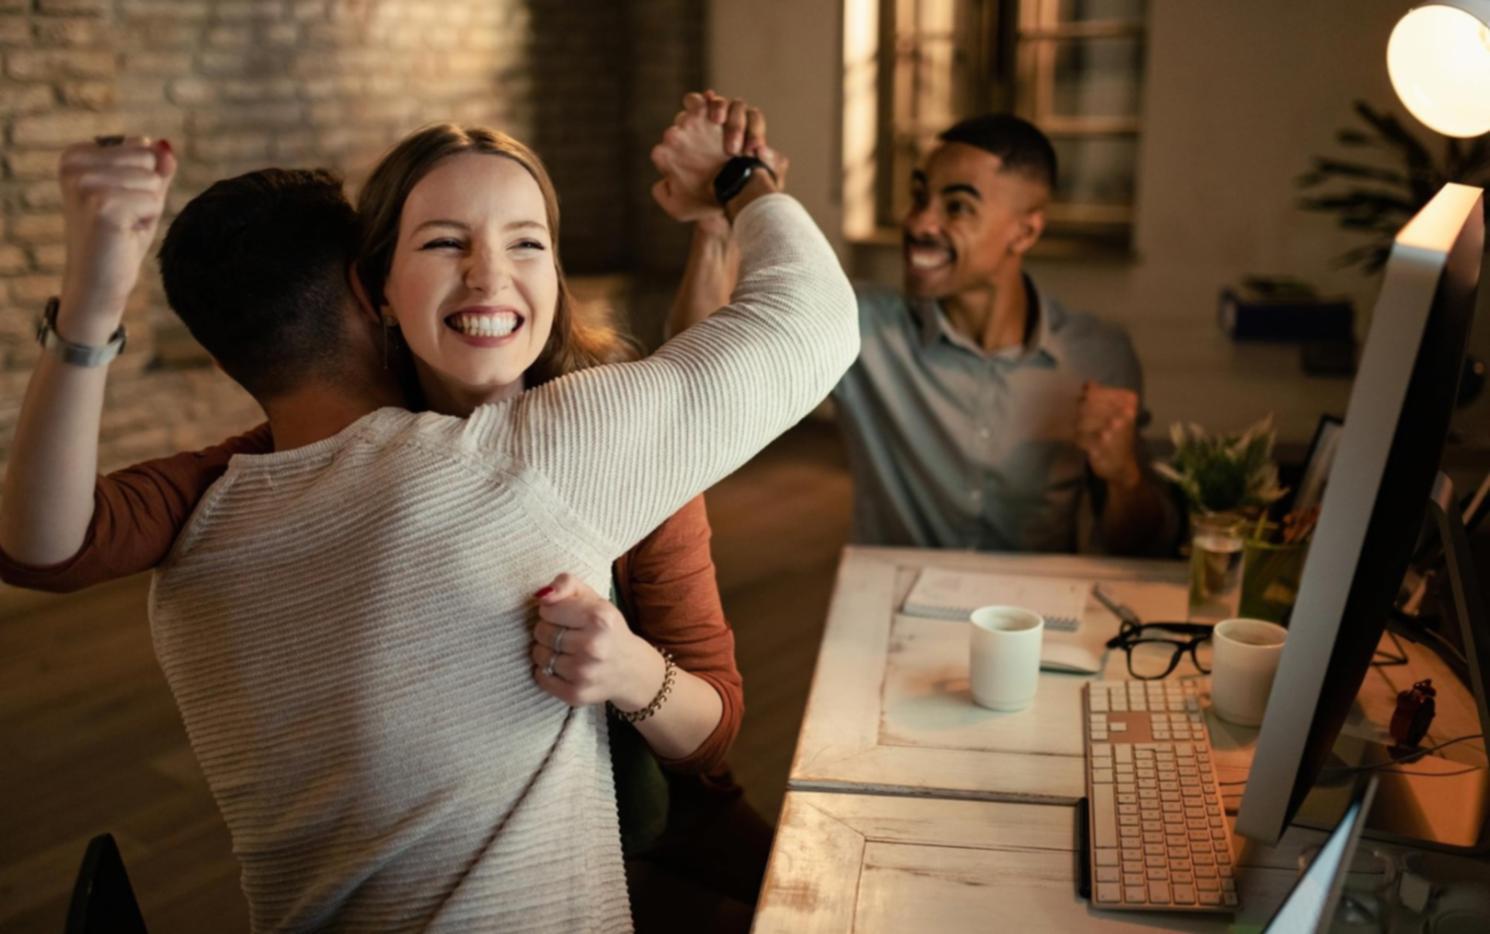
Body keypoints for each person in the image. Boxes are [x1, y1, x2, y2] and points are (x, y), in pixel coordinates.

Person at [0, 98, 855, 930]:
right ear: (373, 288)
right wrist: (739, 187)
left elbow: (709, 743)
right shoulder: (294, 473)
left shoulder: (604, 438)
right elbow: (49, 548)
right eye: (445, 243)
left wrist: (630, 671)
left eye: (528, 242)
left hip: (667, 829)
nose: (489, 275)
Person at [670, 103, 1177, 556]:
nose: (918, 223)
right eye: (918, 196)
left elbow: (1145, 545)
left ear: (1025, 231)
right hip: (886, 618)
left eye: (957, 206)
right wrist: (719, 224)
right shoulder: (859, 324)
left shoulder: (1100, 356)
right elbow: (703, 380)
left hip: (1035, 630)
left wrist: (1125, 477)